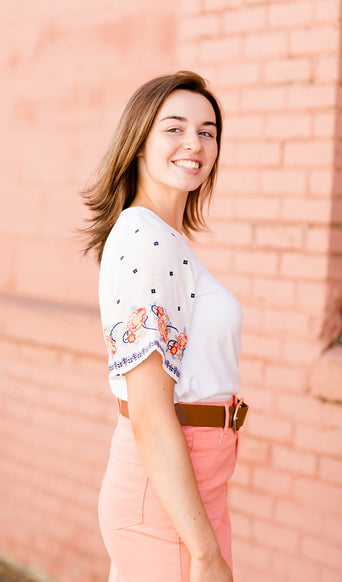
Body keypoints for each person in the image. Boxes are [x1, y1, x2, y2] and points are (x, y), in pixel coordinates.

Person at [81, 71, 248, 582]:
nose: (194, 143)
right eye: (173, 128)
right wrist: (203, 552)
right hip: (167, 498)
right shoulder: (146, 240)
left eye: (208, 130)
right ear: (138, 142)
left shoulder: (164, 238)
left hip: (190, 485)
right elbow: (152, 410)